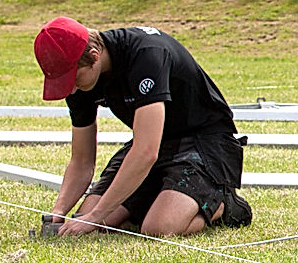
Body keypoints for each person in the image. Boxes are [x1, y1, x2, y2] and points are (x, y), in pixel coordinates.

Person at [33, 17, 252, 237]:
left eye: (73, 78)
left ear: (94, 56)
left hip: (205, 141)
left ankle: (223, 203)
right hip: (158, 141)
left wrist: (96, 215)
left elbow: (146, 152)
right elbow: (81, 161)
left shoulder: (147, 55)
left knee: (158, 228)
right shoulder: (80, 84)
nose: (70, 90)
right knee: (90, 223)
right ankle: (159, 199)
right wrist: (59, 212)